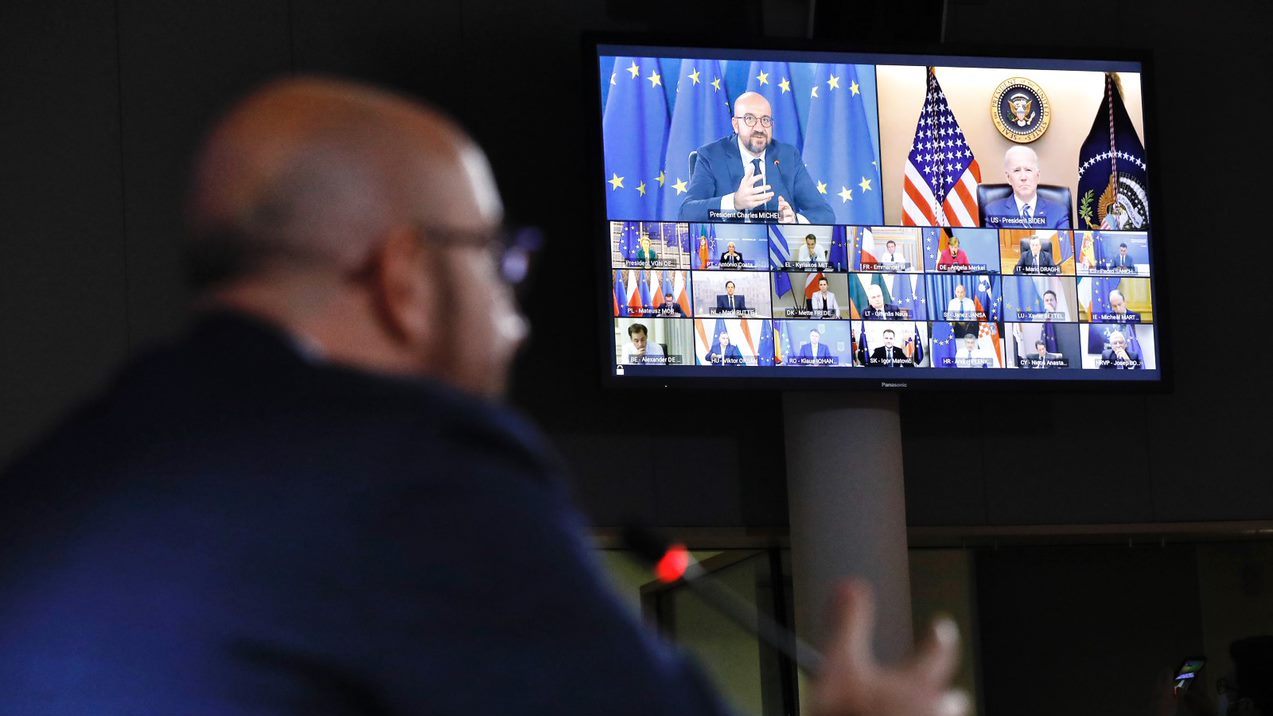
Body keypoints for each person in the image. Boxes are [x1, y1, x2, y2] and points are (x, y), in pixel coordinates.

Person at [0, 77, 969, 716]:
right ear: (406, 274)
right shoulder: (413, 467)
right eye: (499, 261)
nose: (515, 319)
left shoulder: (59, 470)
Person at [679, 91, 834, 224]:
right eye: (750, 119)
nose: (759, 128)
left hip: (777, 253)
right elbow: (686, 213)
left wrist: (794, 219)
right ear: (735, 124)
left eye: (765, 120)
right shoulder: (711, 156)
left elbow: (825, 214)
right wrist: (734, 202)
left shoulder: (787, 156)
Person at [982, 145, 1071, 229]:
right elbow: (992, 245)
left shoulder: (1058, 212)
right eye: (1017, 170)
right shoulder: (993, 211)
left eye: (1028, 170)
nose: (1023, 177)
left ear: (1037, 176)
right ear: (1008, 178)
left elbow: (1064, 245)